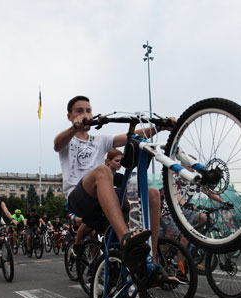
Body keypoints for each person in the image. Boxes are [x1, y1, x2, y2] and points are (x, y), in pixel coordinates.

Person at [54, 95, 173, 282]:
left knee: (152, 194)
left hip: (102, 193)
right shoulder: (67, 139)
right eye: (79, 111)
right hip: (78, 198)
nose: (85, 114)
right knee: (103, 171)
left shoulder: (100, 140)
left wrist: (160, 127)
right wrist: (74, 127)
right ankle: (125, 237)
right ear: (69, 116)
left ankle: (152, 264)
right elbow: (57, 143)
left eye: (88, 110)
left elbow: (131, 137)